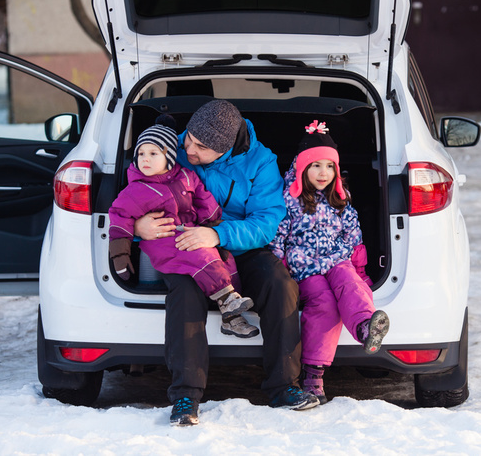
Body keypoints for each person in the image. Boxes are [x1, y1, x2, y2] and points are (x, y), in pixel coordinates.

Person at [133, 100, 319, 426]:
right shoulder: (169, 148)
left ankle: (283, 387)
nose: (187, 148)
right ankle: (186, 397)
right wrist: (137, 228)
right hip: (183, 245)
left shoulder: (261, 162)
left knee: (280, 285)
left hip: (238, 244)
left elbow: (265, 222)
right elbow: (133, 194)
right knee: (186, 294)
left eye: (200, 147)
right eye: (188, 137)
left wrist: (218, 235)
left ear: (225, 148)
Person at [269, 120, 390, 405]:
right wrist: (278, 267)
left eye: (329, 166)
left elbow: (354, 232)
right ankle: (313, 377)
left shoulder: (341, 197)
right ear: (302, 169)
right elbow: (278, 236)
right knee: (324, 303)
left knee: (351, 284)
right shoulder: (288, 199)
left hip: (336, 259)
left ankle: (364, 328)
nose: (323, 173)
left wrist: (356, 264)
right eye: (315, 166)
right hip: (305, 267)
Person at [108, 115, 259, 339]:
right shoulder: (135, 190)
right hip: (163, 240)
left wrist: (213, 224)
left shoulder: (186, 176)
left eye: (153, 153)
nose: (145, 160)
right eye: (141, 153)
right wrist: (120, 254)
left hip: (187, 230)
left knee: (223, 257)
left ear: (169, 157)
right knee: (201, 254)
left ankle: (231, 317)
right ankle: (227, 298)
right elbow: (119, 217)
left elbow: (204, 199)